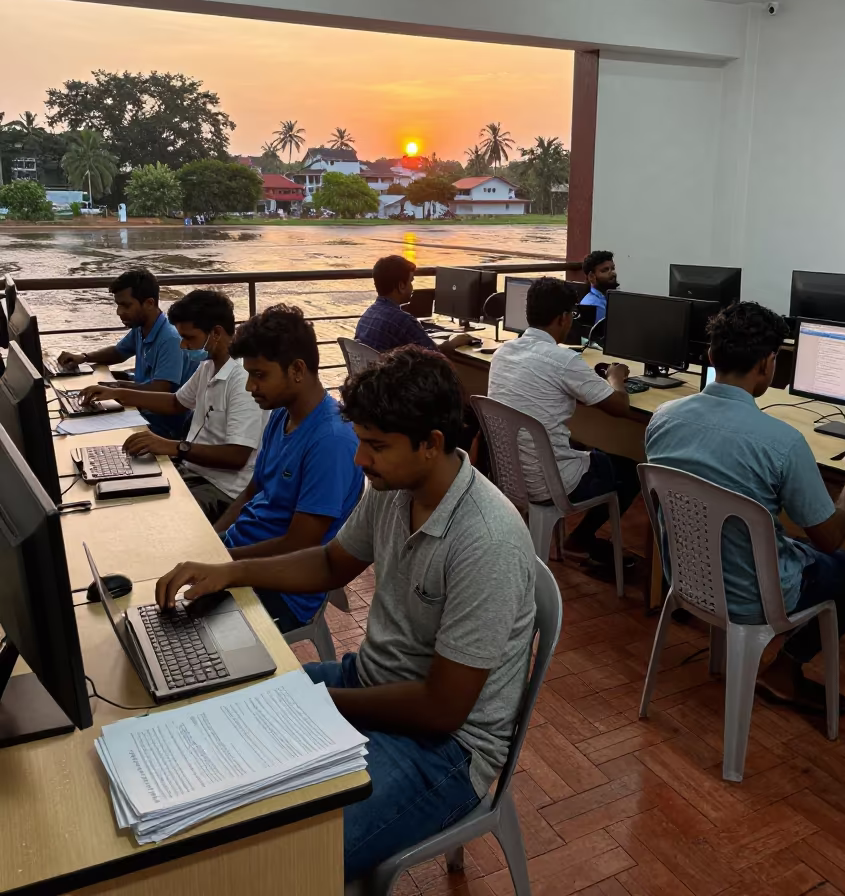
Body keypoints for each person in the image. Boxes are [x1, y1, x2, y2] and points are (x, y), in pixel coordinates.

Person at [156, 347, 536, 882]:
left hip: (447, 750)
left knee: (287, 861)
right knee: (220, 713)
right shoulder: (395, 487)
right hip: (371, 683)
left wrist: (313, 706)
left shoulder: (485, 541)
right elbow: (333, 562)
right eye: (360, 440)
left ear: (430, 445)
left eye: (375, 446)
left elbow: (442, 709)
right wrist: (231, 571)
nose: (360, 460)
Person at [646, 301, 845, 716]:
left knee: (796, 542)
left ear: (710, 357)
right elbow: (831, 538)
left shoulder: (662, 418)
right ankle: (785, 670)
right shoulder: (781, 441)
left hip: (688, 579)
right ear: (769, 364)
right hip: (753, 598)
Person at [211, 303, 364, 631]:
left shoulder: (332, 441)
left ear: (297, 370)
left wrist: (223, 564)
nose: (250, 387)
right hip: (243, 556)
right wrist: (213, 541)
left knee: (183, 628)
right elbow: (253, 490)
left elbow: (299, 544)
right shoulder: (282, 413)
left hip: (284, 589)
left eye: (259, 375)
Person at [488, 277, 640, 567]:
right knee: (629, 470)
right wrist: (615, 377)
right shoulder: (563, 360)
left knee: (584, 446)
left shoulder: (503, 353)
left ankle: (578, 541)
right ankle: (580, 542)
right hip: (549, 484)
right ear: (563, 318)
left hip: (511, 475)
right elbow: (619, 407)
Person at [79, 290, 266, 522]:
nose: (184, 346)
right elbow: (177, 402)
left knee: (154, 517)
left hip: (221, 489)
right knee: (118, 492)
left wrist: (172, 446)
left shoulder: (241, 379)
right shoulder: (209, 365)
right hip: (194, 470)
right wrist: (118, 394)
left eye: (189, 338)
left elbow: (237, 456)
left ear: (216, 333)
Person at [58, 267, 191, 438]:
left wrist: (116, 388)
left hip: (161, 426)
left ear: (149, 303)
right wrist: (84, 357)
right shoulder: (141, 327)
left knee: (90, 433)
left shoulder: (170, 339)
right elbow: (118, 352)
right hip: (141, 411)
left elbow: (160, 390)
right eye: (118, 305)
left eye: (126, 305)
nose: (119, 312)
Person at [355, 255, 475, 354]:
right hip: (392, 382)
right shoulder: (403, 320)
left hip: (371, 380)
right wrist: (453, 342)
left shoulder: (367, 315)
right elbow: (433, 354)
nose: (412, 287)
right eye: (411, 281)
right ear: (401, 286)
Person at [580, 250, 619, 322]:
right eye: (605, 270)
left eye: (612, 269)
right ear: (591, 277)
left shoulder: (608, 298)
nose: (613, 273)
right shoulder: (593, 305)